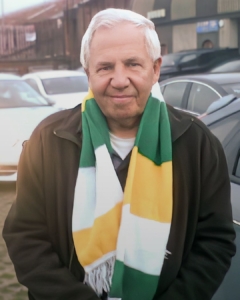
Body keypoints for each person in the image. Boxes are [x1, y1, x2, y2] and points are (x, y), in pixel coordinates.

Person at [2, 8, 236, 300]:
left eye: (133, 64)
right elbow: (25, 238)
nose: (120, 79)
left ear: (156, 69)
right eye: (105, 67)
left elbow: (215, 241)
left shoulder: (197, 144)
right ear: (88, 74)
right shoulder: (49, 140)